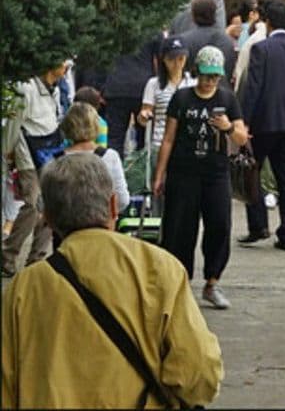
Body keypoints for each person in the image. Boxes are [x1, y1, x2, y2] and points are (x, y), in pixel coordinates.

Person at [0, 153, 224, 409]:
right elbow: (198, 373)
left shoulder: (24, 289)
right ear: (114, 205)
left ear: (47, 218)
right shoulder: (160, 269)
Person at [153, 45, 248, 311]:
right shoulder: (182, 98)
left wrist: (228, 127)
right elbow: (169, 138)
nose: (209, 82)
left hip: (216, 173)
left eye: (214, 78)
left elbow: (241, 137)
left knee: (219, 225)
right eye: (205, 76)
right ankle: (179, 283)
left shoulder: (228, 100)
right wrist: (159, 174)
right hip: (183, 173)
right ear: (196, 73)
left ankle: (213, 281)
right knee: (179, 229)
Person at [236, 0, 285, 251]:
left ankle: (258, 225)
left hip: (263, 123)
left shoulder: (262, 49)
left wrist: (244, 122)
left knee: (252, 170)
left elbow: (253, 88)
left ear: (267, 22)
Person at [4, 60, 73, 276]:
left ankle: (37, 259)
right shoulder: (26, 88)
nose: (67, 69)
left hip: (49, 152)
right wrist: (7, 150)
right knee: (33, 205)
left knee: (49, 206)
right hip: (28, 154)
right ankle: (8, 256)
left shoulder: (55, 89)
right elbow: (15, 124)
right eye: (64, 63)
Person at [57, 103, 129, 212]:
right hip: (101, 220)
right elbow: (122, 200)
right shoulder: (110, 157)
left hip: (66, 224)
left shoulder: (56, 160)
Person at [176, 0, 237, 83]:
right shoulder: (227, 41)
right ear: (215, 14)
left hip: (190, 91)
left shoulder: (183, 40)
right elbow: (229, 70)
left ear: (193, 15)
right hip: (221, 91)